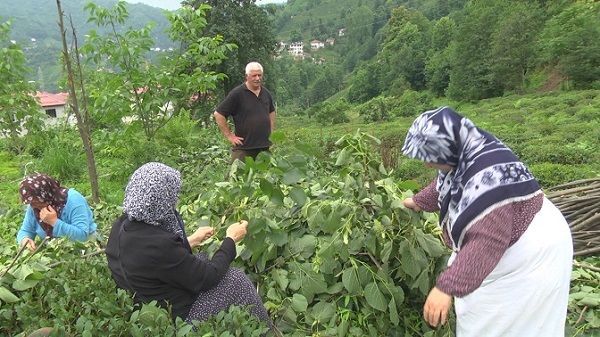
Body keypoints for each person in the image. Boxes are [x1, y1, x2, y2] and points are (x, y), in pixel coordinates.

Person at [401, 106, 573, 337]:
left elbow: (487, 242)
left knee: (509, 323)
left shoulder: (487, 180)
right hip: (515, 232)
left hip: (532, 250)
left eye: (431, 157)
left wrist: (445, 288)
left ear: (446, 148)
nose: (428, 164)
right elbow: (448, 179)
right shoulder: (468, 149)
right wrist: (419, 201)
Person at [105, 162, 272, 330]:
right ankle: (267, 331)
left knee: (204, 257)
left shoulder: (121, 226)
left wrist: (190, 240)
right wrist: (231, 239)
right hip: (173, 319)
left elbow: (152, 260)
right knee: (236, 280)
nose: (176, 200)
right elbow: (208, 277)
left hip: (145, 303)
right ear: (160, 199)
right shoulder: (160, 246)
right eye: (172, 196)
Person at [17, 173, 98, 252]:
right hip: (55, 250)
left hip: (86, 248)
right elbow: (26, 230)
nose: (33, 206)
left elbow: (82, 236)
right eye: (30, 203)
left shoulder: (74, 200)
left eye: (37, 202)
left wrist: (54, 222)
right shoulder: (34, 207)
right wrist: (25, 239)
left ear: (46, 195)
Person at [214, 61, 276, 163]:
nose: (257, 78)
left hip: (264, 147)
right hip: (244, 148)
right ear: (246, 76)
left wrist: (271, 130)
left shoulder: (266, 93)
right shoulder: (237, 93)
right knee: (237, 177)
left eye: (259, 75)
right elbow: (219, 114)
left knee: (264, 177)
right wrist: (229, 136)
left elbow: (271, 111)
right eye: (254, 75)